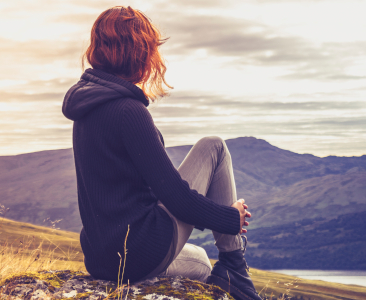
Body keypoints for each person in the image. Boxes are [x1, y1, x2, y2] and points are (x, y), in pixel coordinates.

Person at [61, 6, 262, 300]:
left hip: (102, 259)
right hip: (140, 251)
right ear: (139, 51)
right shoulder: (129, 111)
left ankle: (225, 272)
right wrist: (230, 217)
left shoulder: (86, 107)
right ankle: (234, 264)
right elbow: (175, 198)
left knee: (202, 262)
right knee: (213, 146)